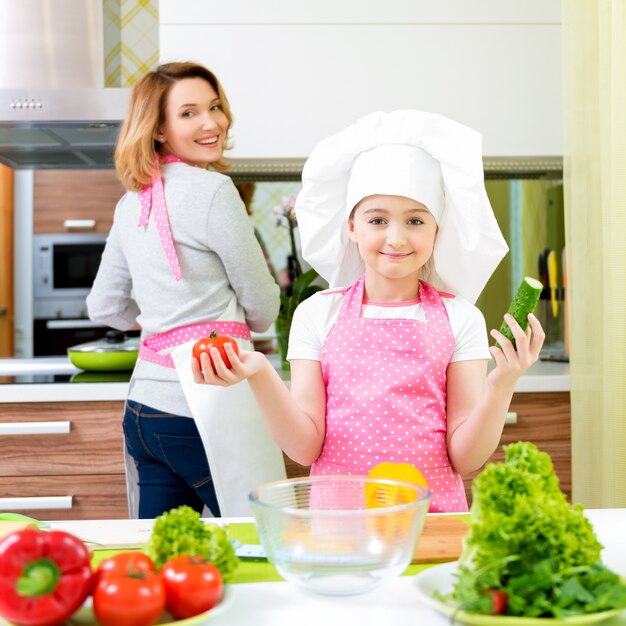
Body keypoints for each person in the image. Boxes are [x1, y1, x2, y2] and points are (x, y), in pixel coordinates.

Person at [192, 110, 544, 512]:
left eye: (415, 220)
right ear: (352, 228)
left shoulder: (461, 317)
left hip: (431, 522)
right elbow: (306, 447)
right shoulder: (317, 314)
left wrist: (503, 383)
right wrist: (258, 372)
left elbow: (466, 458)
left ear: (436, 232)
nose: (396, 238)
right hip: (339, 522)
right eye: (377, 219)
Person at [87, 62, 280, 518]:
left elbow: (103, 306)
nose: (211, 122)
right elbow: (263, 305)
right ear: (157, 129)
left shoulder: (129, 200)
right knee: (260, 535)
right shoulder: (214, 190)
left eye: (214, 107)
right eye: (189, 113)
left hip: (145, 410)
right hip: (204, 405)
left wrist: (160, 322)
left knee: (161, 553)